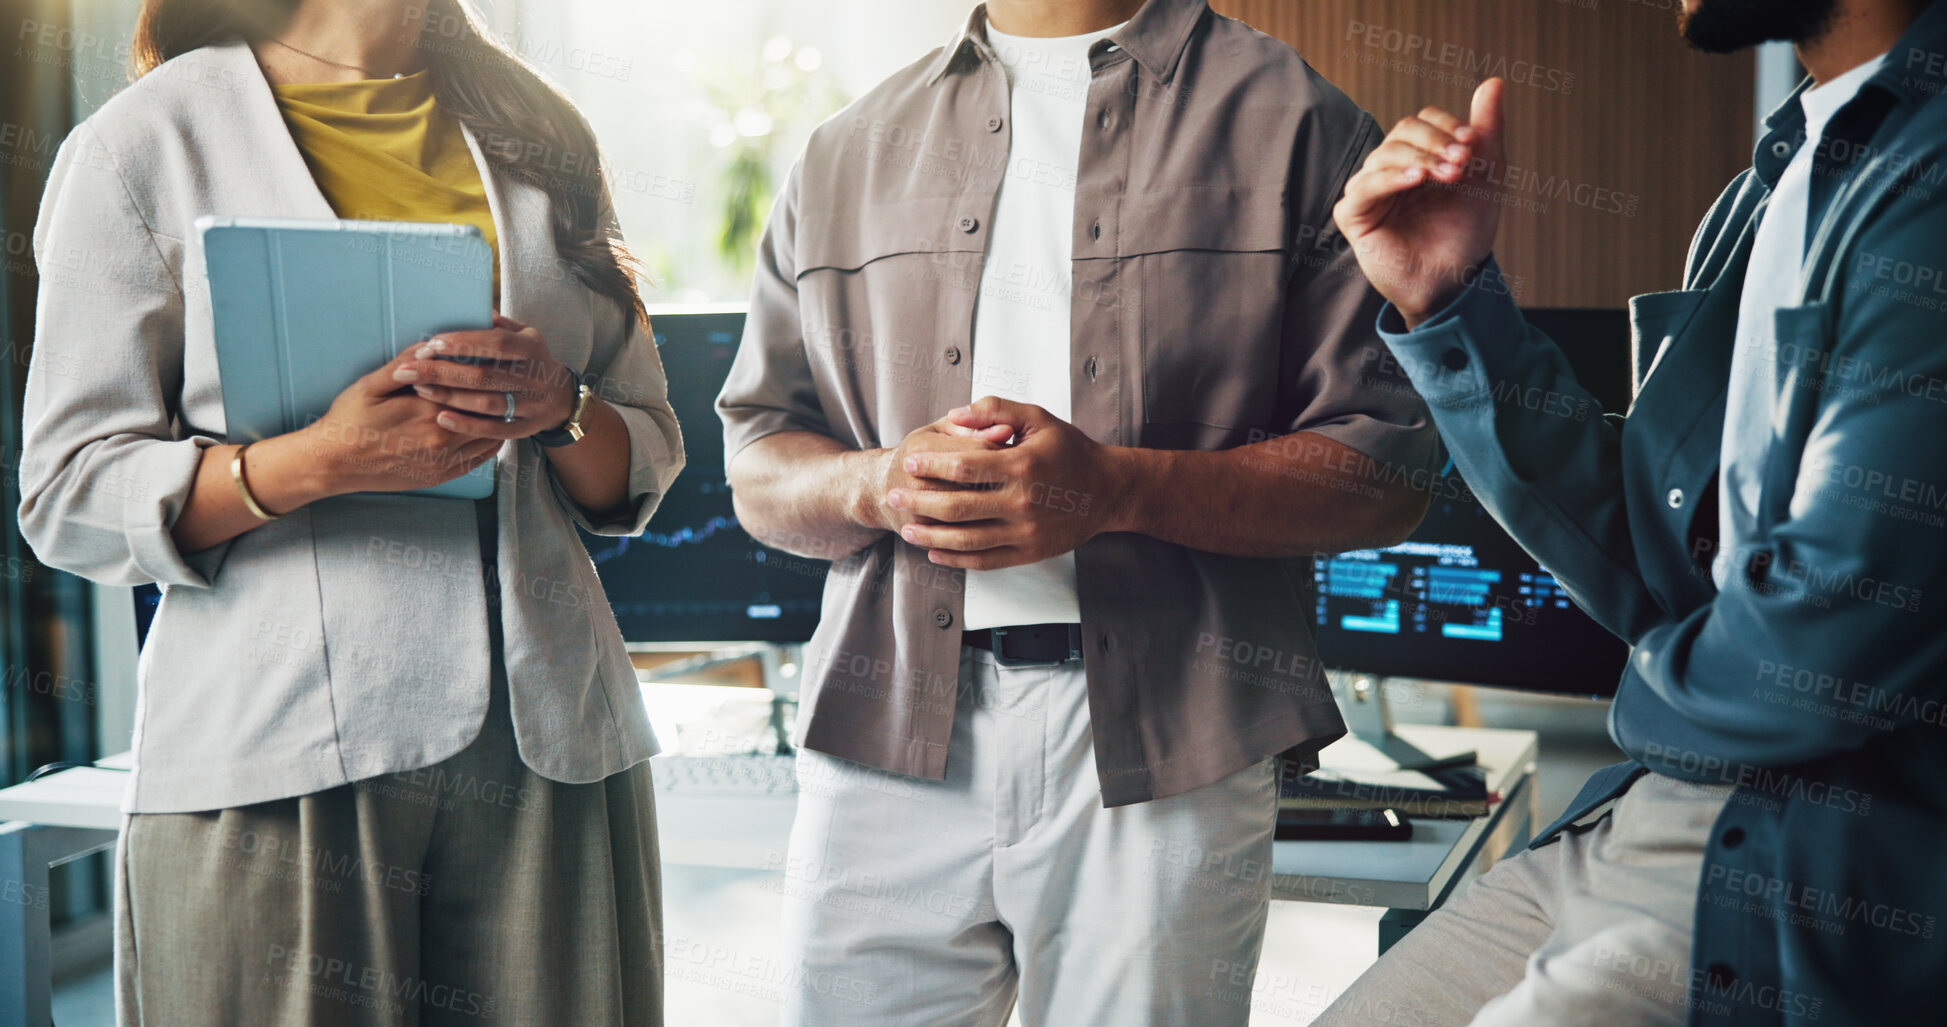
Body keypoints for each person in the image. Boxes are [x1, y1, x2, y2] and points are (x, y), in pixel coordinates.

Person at [716, 0, 1441, 1022]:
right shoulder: (846, 149)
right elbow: (758, 467)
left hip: (1173, 740)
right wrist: (876, 483)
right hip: (885, 736)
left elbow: (1389, 469)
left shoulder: (1298, 123)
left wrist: (1118, 489)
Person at [17, 0, 682, 1023]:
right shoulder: (143, 142)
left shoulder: (544, 132)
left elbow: (641, 458)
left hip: (550, 745)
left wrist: (562, 406)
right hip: (277, 752)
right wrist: (318, 462)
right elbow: (68, 495)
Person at [1317, 0, 1947, 1023]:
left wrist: (1641, 697)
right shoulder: (1775, 179)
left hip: (1806, 863)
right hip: (1649, 804)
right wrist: (1450, 302)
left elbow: (1822, 649)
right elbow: (1660, 554)